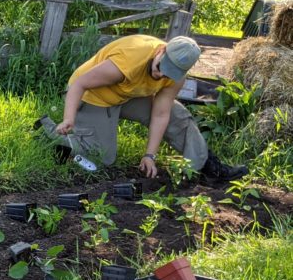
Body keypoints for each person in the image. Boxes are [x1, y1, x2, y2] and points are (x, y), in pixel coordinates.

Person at [36, 34, 248, 180]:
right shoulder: (129, 60)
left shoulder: (176, 76)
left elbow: (161, 113)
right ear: (161, 51)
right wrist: (69, 118)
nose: (161, 75)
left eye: (169, 74)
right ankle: (49, 131)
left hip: (128, 94)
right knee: (103, 158)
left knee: (179, 115)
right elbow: (79, 84)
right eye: (160, 68)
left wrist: (149, 155)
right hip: (94, 95)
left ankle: (203, 167)